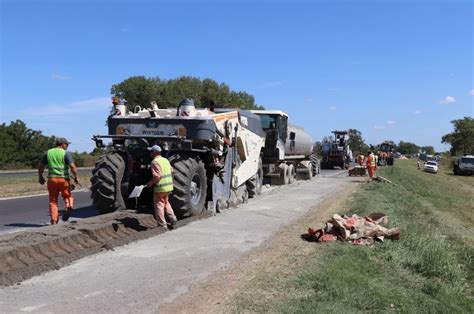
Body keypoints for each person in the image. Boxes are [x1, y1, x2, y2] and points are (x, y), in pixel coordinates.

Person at [38, 138, 79, 224]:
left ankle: (53, 221)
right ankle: (68, 206)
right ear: (62, 144)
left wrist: (40, 177)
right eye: (67, 144)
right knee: (68, 196)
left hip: (52, 180)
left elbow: (41, 166)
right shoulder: (65, 153)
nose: (67, 146)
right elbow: (72, 166)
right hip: (64, 180)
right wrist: (76, 177)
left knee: (53, 201)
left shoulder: (48, 153)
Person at [145, 145, 178, 230]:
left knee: (159, 205)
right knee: (166, 203)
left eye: (151, 151)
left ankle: (162, 225)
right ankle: (173, 219)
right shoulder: (165, 160)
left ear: (154, 153)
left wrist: (149, 183)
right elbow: (172, 171)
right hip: (168, 187)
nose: (150, 153)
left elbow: (157, 176)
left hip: (160, 188)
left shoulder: (154, 162)